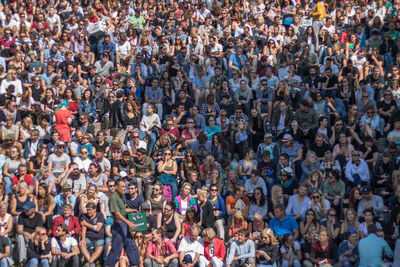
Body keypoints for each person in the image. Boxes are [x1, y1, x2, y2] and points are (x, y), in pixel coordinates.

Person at [105, 178, 140, 267]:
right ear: (116, 187)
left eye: (125, 187)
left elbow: (122, 210)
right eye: (122, 187)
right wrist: (129, 223)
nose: (124, 188)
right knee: (116, 249)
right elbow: (117, 214)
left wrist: (132, 210)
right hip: (119, 225)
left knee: (132, 247)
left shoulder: (121, 196)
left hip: (124, 225)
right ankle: (108, 265)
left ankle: (135, 265)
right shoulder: (113, 197)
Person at [79, 202, 105, 267]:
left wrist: (86, 224)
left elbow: (97, 228)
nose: (88, 212)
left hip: (98, 237)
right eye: (87, 210)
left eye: (90, 210)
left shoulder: (100, 215)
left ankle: (89, 262)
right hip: (88, 237)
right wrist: (83, 239)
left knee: (99, 247)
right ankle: (90, 263)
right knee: (82, 244)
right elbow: (84, 228)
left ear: (94, 209)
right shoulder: (84, 216)